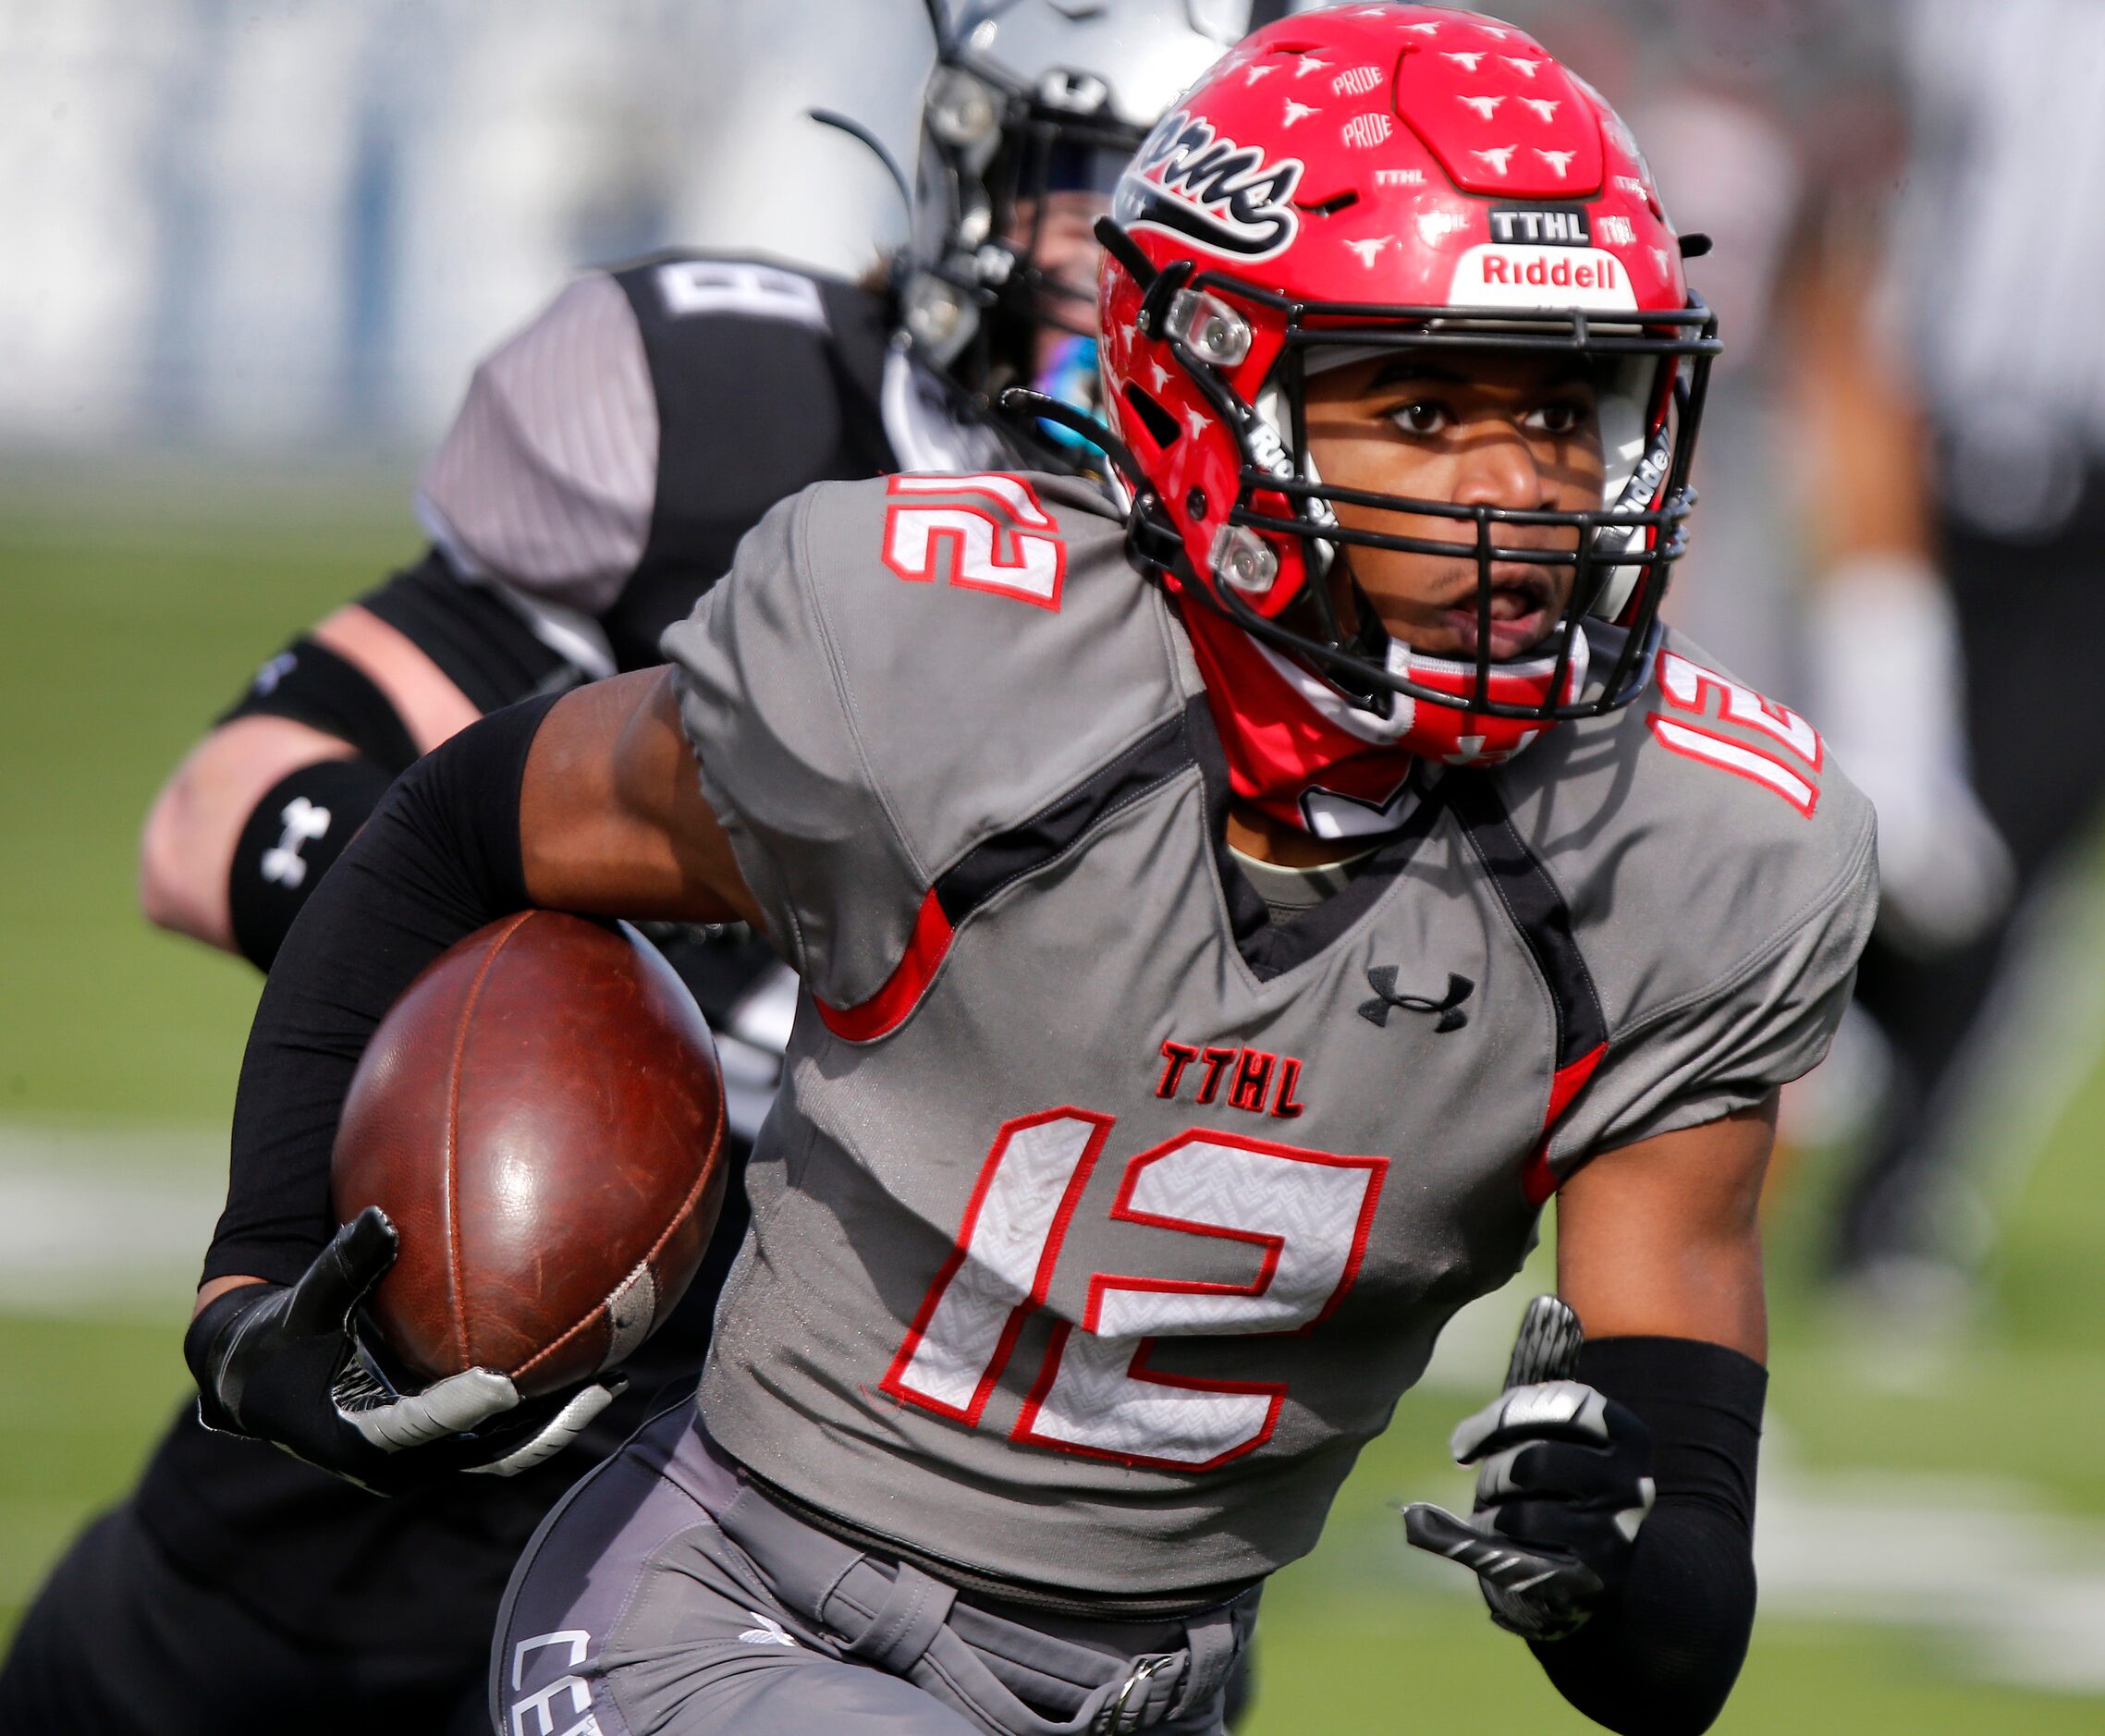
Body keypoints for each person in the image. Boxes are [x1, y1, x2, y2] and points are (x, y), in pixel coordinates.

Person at [180, 8, 1877, 1734]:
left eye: (1568, 405)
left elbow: (1677, 1640)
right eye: (1426, 406)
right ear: (1211, 396)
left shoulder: (1690, 847)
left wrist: (1600, 1563)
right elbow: (468, 812)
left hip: (1162, 1684)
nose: (1523, 491)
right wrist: (256, 1271)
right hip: (730, 1616)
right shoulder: (945, 665)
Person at [0, 8, 1256, 1734]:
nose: (1129, 273)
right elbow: (225, 808)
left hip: (917, 1489)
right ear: (975, 172)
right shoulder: (728, 409)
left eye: (1202, 226)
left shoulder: (1330, 616)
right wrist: (580, 1012)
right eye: (1094, 192)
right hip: (518, 1363)